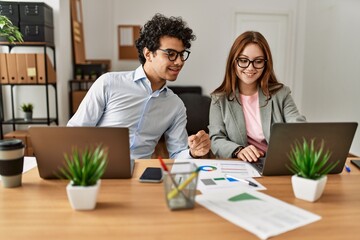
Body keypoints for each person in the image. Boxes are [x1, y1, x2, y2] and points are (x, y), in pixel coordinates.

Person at [67, 13, 210, 160]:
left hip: (141, 175)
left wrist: (193, 152)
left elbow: (177, 153)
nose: (179, 62)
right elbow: (75, 131)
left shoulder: (175, 105)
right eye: (171, 54)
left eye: (182, 54)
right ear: (148, 54)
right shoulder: (108, 83)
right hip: (99, 170)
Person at [209, 31, 306, 162]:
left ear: (266, 64)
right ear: (233, 61)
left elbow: (297, 126)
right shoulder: (219, 99)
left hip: (276, 163)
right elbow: (216, 140)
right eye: (243, 60)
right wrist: (238, 150)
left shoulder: (281, 94)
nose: (250, 68)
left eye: (258, 61)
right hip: (240, 165)